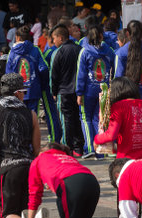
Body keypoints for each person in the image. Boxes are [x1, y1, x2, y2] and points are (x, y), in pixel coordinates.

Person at [19, 142, 119, 218]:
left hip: (70, 185)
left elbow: (34, 196)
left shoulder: (38, 160)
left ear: (43, 151)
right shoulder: (67, 157)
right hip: (92, 182)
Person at [0, 73, 41, 218]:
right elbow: (37, 150)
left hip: (8, 169)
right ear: (17, 93)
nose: (24, 95)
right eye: (23, 92)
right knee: (22, 209)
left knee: (5, 217)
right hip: (28, 168)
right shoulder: (32, 114)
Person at [6, 26, 61, 144]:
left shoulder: (12, 52)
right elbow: (44, 68)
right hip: (33, 89)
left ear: (17, 37)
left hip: (18, 92)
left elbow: (8, 74)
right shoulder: (35, 50)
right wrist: (42, 83)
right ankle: (32, 144)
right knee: (32, 118)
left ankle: (21, 143)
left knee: (19, 117)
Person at [75, 25, 115, 159]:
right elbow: (113, 71)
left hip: (88, 90)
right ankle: (101, 150)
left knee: (86, 118)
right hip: (104, 90)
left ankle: (90, 148)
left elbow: (81, 74)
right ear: (102, 36)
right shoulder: (109, 51)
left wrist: (79, 93)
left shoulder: (84, 52)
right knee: (100, 119)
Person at [50, 24, 84, 156]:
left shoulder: (57, 53)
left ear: (60, 37)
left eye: (54, 38)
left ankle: (67, 148)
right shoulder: (79, 49)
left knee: (66, 120)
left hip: (63, 92)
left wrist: (53, 92)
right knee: (78, 118)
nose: (53, 42)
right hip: (78, 91)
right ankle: (79, 147)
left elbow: (53, 76)